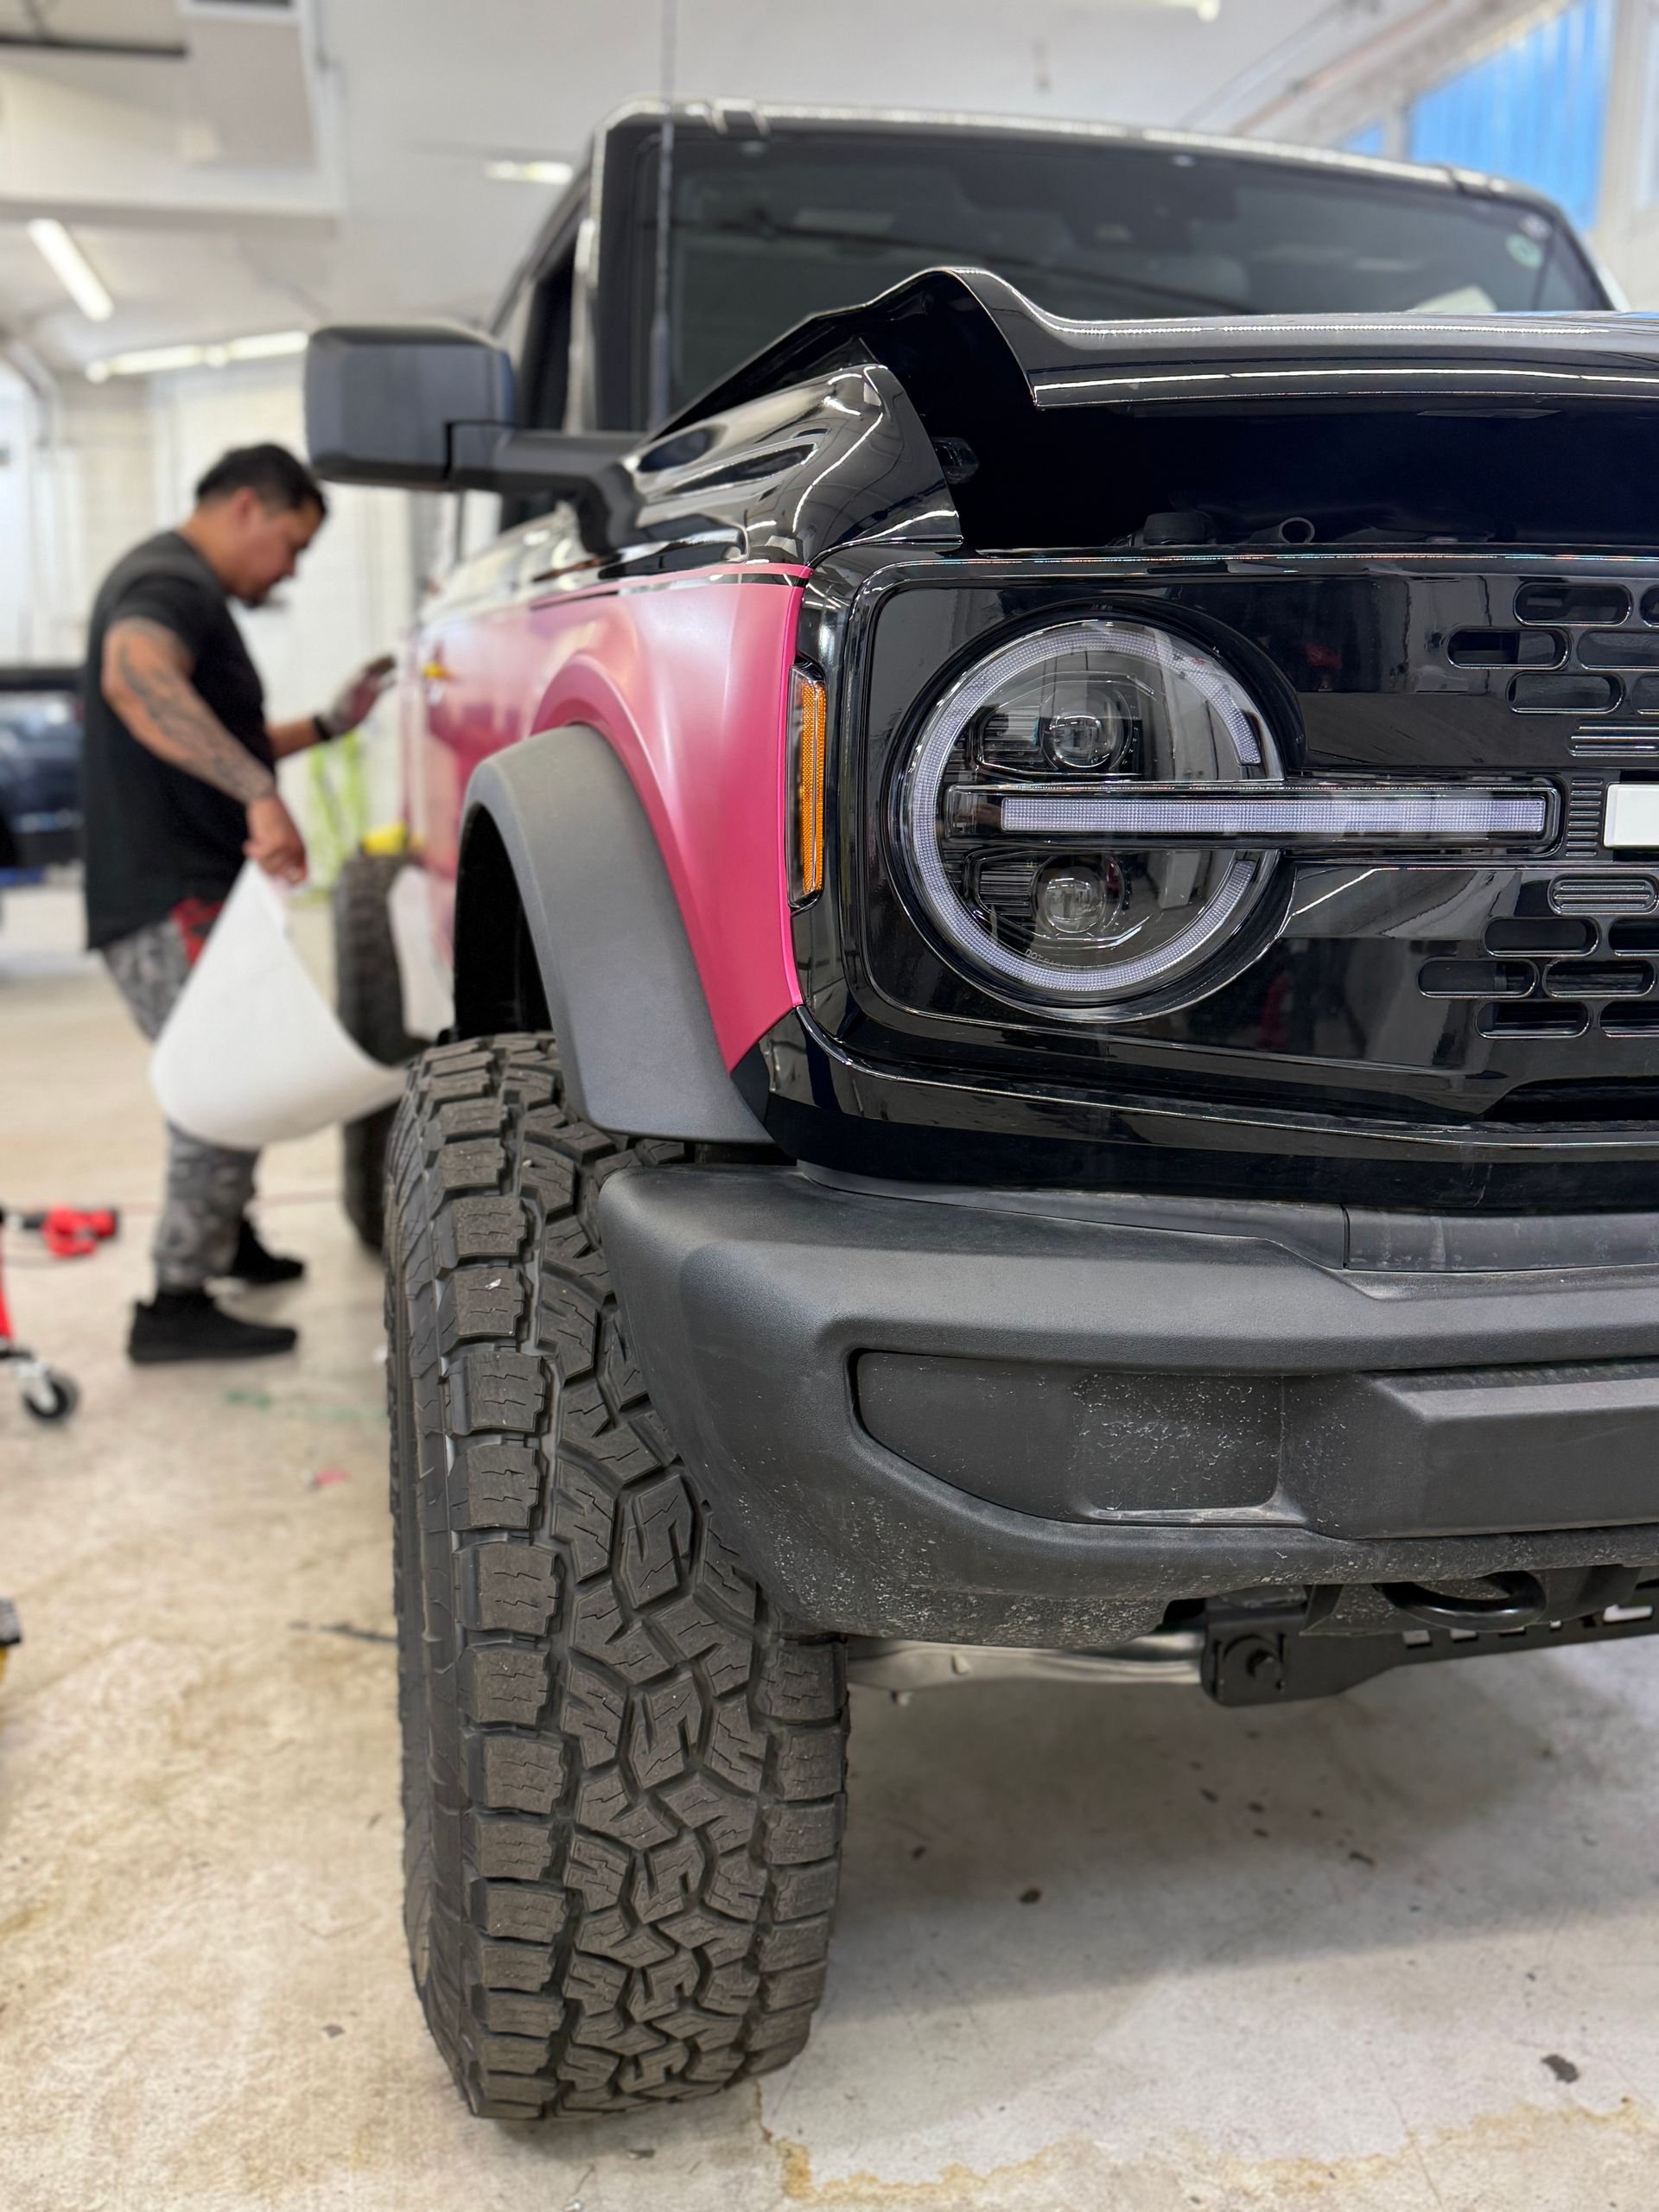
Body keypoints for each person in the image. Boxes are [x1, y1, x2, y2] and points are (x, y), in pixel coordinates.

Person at [80, 442, 393, 1364]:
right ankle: (174, 1301)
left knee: (241, 1061)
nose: (289, 570)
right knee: (219, 1081)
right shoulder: (168, 583)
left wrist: (329, 725)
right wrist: (259, 795)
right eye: (292, 544)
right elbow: (135, 677)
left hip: (186, 882)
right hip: (166, 889)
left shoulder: (185, 586)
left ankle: (228, 1240)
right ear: (248, 506)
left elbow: (216, 732)